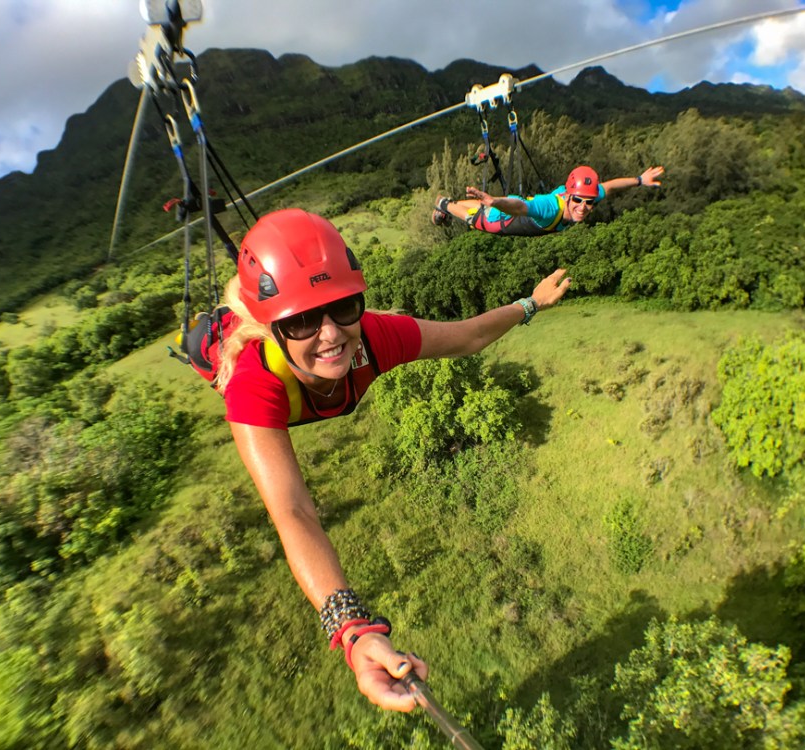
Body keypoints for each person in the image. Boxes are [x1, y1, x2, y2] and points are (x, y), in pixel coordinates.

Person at [192, 208, 570, 712]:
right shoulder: (254, 384)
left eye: (344, 306)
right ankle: (212, 330)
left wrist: (530, 303)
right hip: (225, 349)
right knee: (200, 342)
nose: (330, 335)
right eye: (303, 320)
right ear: (272, 327)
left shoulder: (372, 337)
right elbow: (293, 511)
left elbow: (469, 336)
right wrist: (352, 630)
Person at [431, 164, 665, 236]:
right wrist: (495, 203)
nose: (583, 208)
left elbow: (609, 187)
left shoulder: (583, 196)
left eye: (589, 203)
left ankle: (456, 203)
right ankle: (443, 204)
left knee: (482, 206)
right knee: (473, 217)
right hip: (501, 218)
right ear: (569, 195)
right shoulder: (550, 208)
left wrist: (639, 180)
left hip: (511, 204)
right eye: (579, 201)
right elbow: (522, 207)